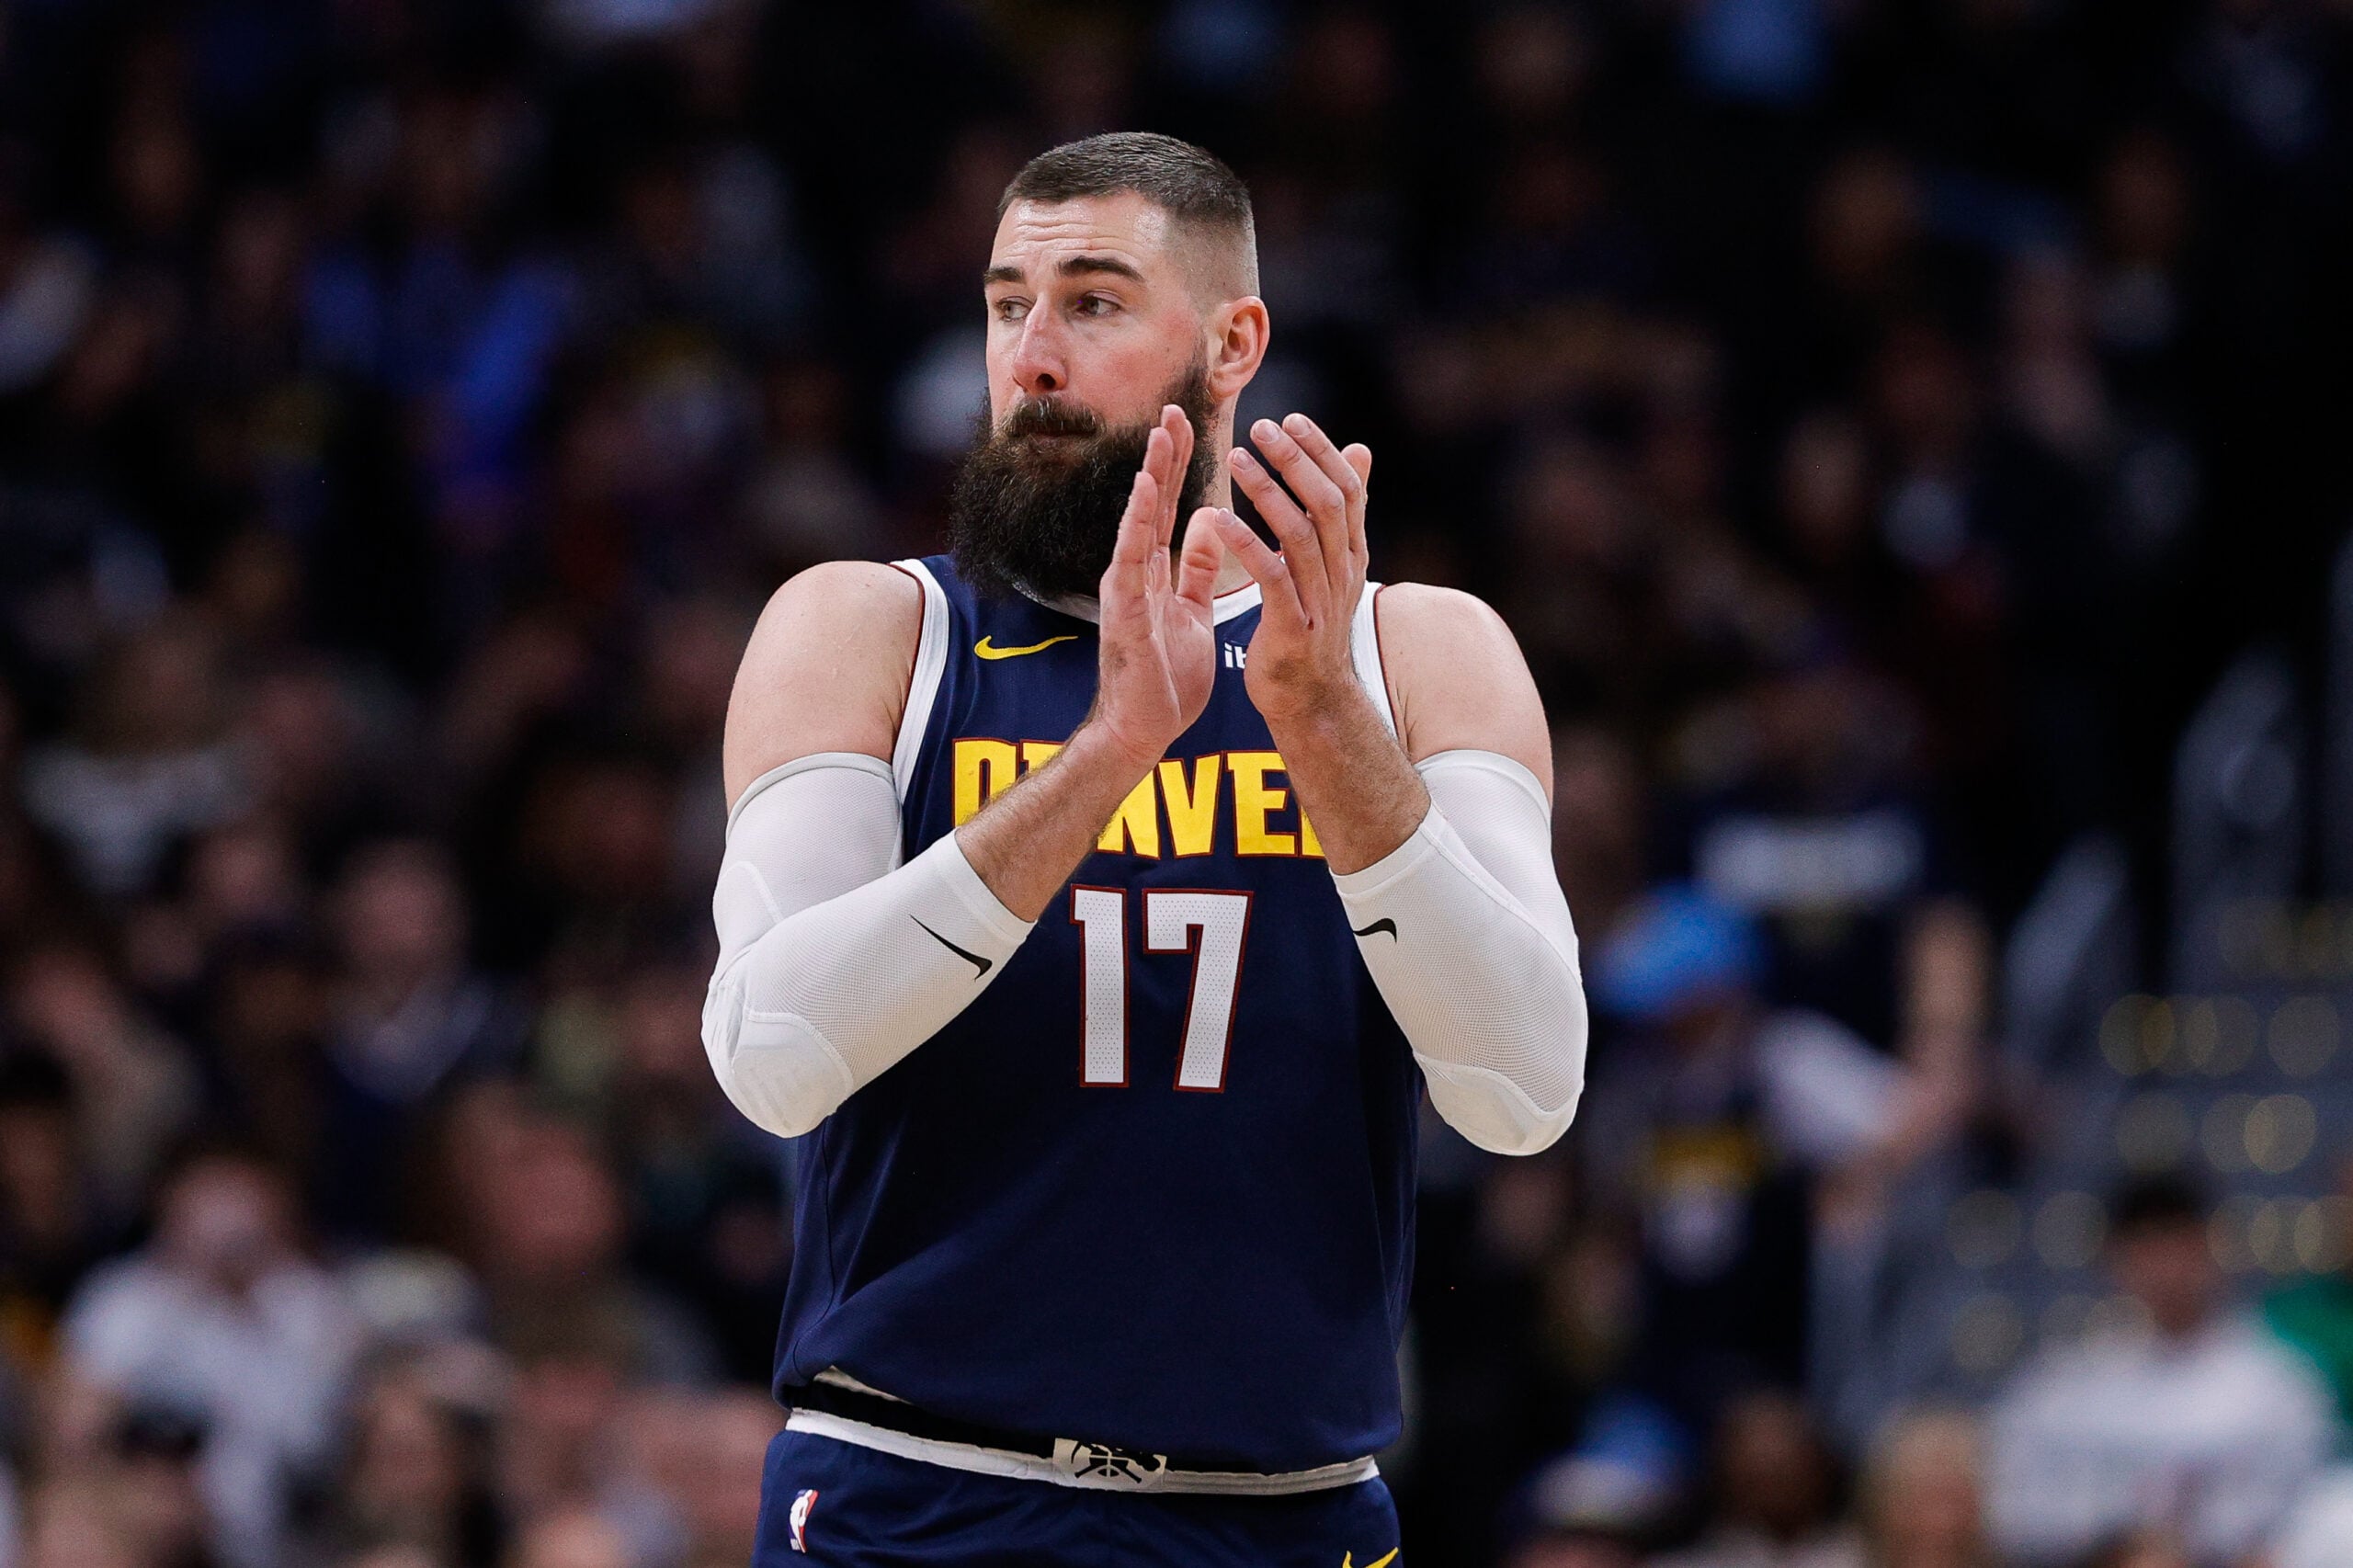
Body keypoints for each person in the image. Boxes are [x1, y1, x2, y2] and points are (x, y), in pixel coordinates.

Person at [699, 132, 1588, 1563]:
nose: (1031, 356)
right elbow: (771, 1054)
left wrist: (1319, 721)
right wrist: (1109, 753)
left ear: (1235, 342)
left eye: (1093, 303)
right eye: (1005, 304)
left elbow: (1526, 1090)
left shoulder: (1417, 654)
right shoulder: (867, 629)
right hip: (913, 1487)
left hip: (1279, 1510)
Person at [1984, 1175, 2332, 1565]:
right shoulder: (2062, 1385)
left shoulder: (2280, 1386)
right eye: (2145, 1248)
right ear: (2115, 1260)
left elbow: (2309, 1522)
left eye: (2177, 1245)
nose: (2164, 1268)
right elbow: (2012, 1511)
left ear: (2211, 1248)